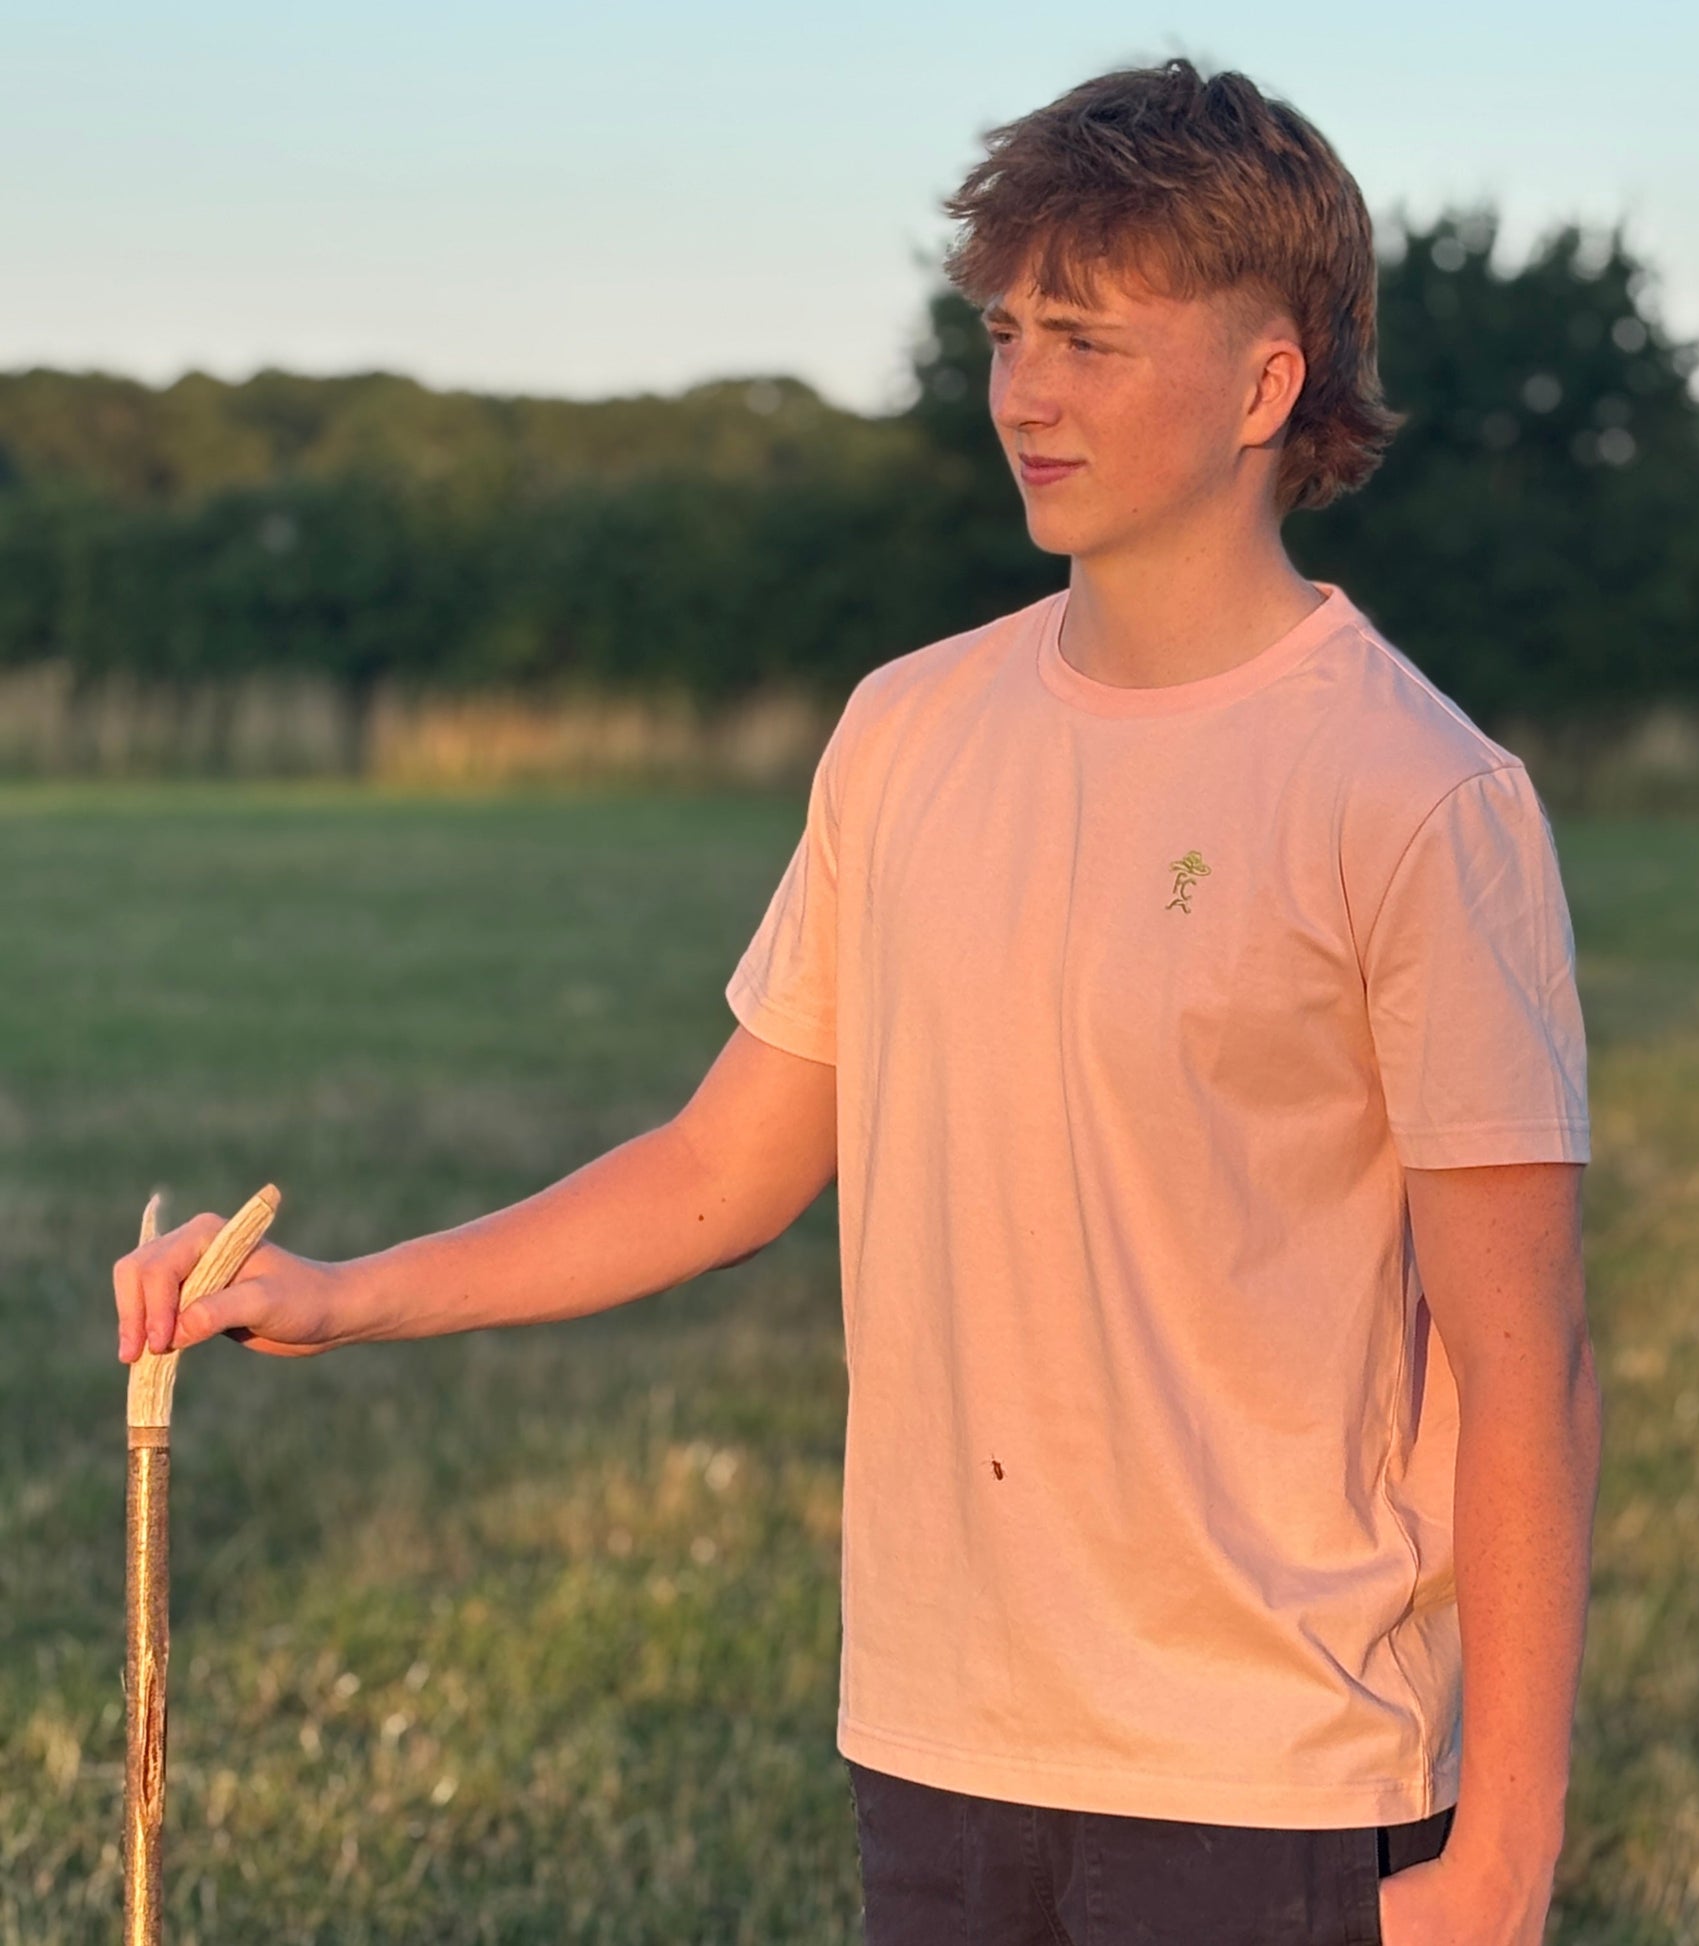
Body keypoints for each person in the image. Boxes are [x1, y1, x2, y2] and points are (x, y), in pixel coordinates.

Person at [113, 56, 1601, 1946]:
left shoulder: (1415, 795)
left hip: (1275, 1764)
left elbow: (1525, 1363)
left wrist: (1506, 1857)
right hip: (941, 1735)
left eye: (1085, 336)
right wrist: (344, 1296)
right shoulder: (903, 734)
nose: (1024, 393)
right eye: (1003, 329)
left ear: (1265, 380)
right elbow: (721, 1165)